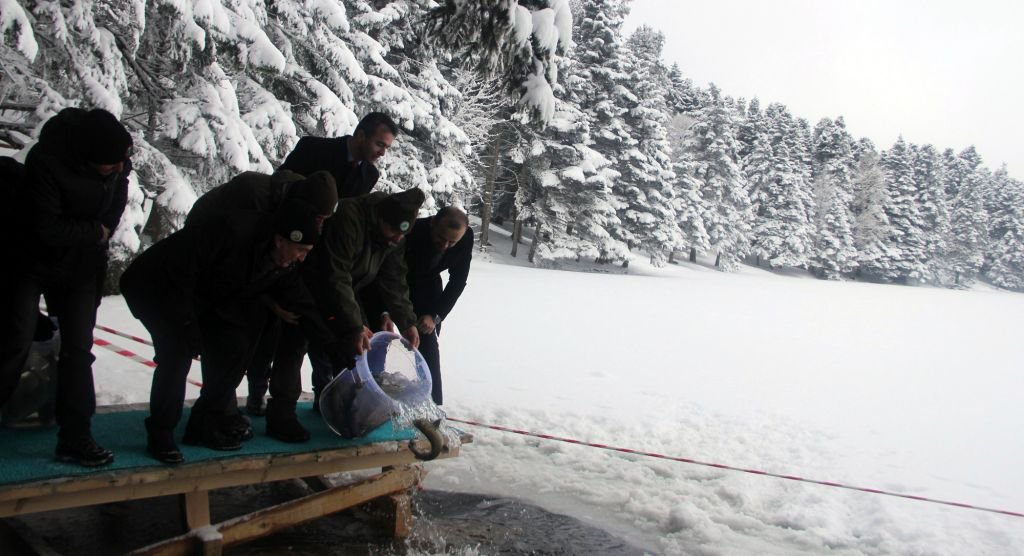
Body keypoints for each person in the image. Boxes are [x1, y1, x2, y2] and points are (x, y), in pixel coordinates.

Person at [120, 199, 341, 463]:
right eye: (301, 250)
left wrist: (338, 350)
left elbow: (301, 303)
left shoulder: (281, 261)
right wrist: (189, 328)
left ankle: (202, 424)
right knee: (177, 354)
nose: (303, 258)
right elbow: (182, 274)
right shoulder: (233, 234)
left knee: (236, 346)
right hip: (156, 286)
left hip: (204, 295)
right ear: (281, 240)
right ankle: (160, 433)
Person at [0, 108, 132, 467]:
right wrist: (92, 232)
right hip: (28, 262)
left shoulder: (118, 161)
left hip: (81, 269)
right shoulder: (46, 162)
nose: (119, 170)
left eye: (122, 162)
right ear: (86, 158)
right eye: (110, 164)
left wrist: (92, 231)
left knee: (78, 350)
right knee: (14, 341)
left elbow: (113, 211)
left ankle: (75, 436)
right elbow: (45, 226)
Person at [184, 170, 339, 417]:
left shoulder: (297, 208)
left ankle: (227, 406)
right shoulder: (253, 200)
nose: (319, 224)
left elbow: (280, 267)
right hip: (203, 265)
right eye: (318, 217)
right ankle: (216, 412)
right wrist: (270, 298)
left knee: (252, 339)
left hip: (244, 276)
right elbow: (242, 265)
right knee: (225, 340)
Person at [271, 188, 426, 427]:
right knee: (295, 345)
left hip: (345, 292)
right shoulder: (349, 217)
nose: (397, 238)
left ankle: (341, 411)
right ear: (380, 217)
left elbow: (394, 277)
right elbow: (335, 275)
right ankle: (281, 415)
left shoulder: (393, 236)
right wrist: (353, 325)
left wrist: (407, 321)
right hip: (309, 287)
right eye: (393, 231)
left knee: (355, 351)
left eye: (402, 234)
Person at [374, 207, 472, 405]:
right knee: (378, 339)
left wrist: (435, 315)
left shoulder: (465, 237)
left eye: (452, 242)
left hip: (427, 290)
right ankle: (374, 397)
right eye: (441, 238)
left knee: (426, 344)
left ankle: (433, 406)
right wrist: (385, 311)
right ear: (433, 223)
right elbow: (388, 273)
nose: (445, 245)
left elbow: (458, 281)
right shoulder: (412, 231)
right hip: (392, 284)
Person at [279, 112, 397, 199]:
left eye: (386, 147)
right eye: (379, 144)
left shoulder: (370, 176)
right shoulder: (312, 148)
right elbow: (278, 186)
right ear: (361, 136)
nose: (382, 153)